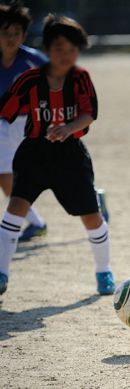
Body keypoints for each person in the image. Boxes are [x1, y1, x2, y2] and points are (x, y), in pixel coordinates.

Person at [0, 14, 114, 296]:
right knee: (14, 210)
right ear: (48, 49)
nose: (67, 55)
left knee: (91, 218)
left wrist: (69, 127)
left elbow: (90, 113)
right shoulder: (28, 79)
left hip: (70, 157)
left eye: (73, 49)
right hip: (33, 154)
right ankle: (1, 274)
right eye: (60, 48)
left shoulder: (80, 78)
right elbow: (6, 110)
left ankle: (104, 271)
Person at [0, 3, 48, 241]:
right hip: (4, 127)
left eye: (15, 33)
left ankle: (94, 200)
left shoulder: (34, 60)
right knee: (6, 181)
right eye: (5, 33)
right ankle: (36, 222)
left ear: (24, 35)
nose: (10, 39)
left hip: (32, 124)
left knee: (57, 175)